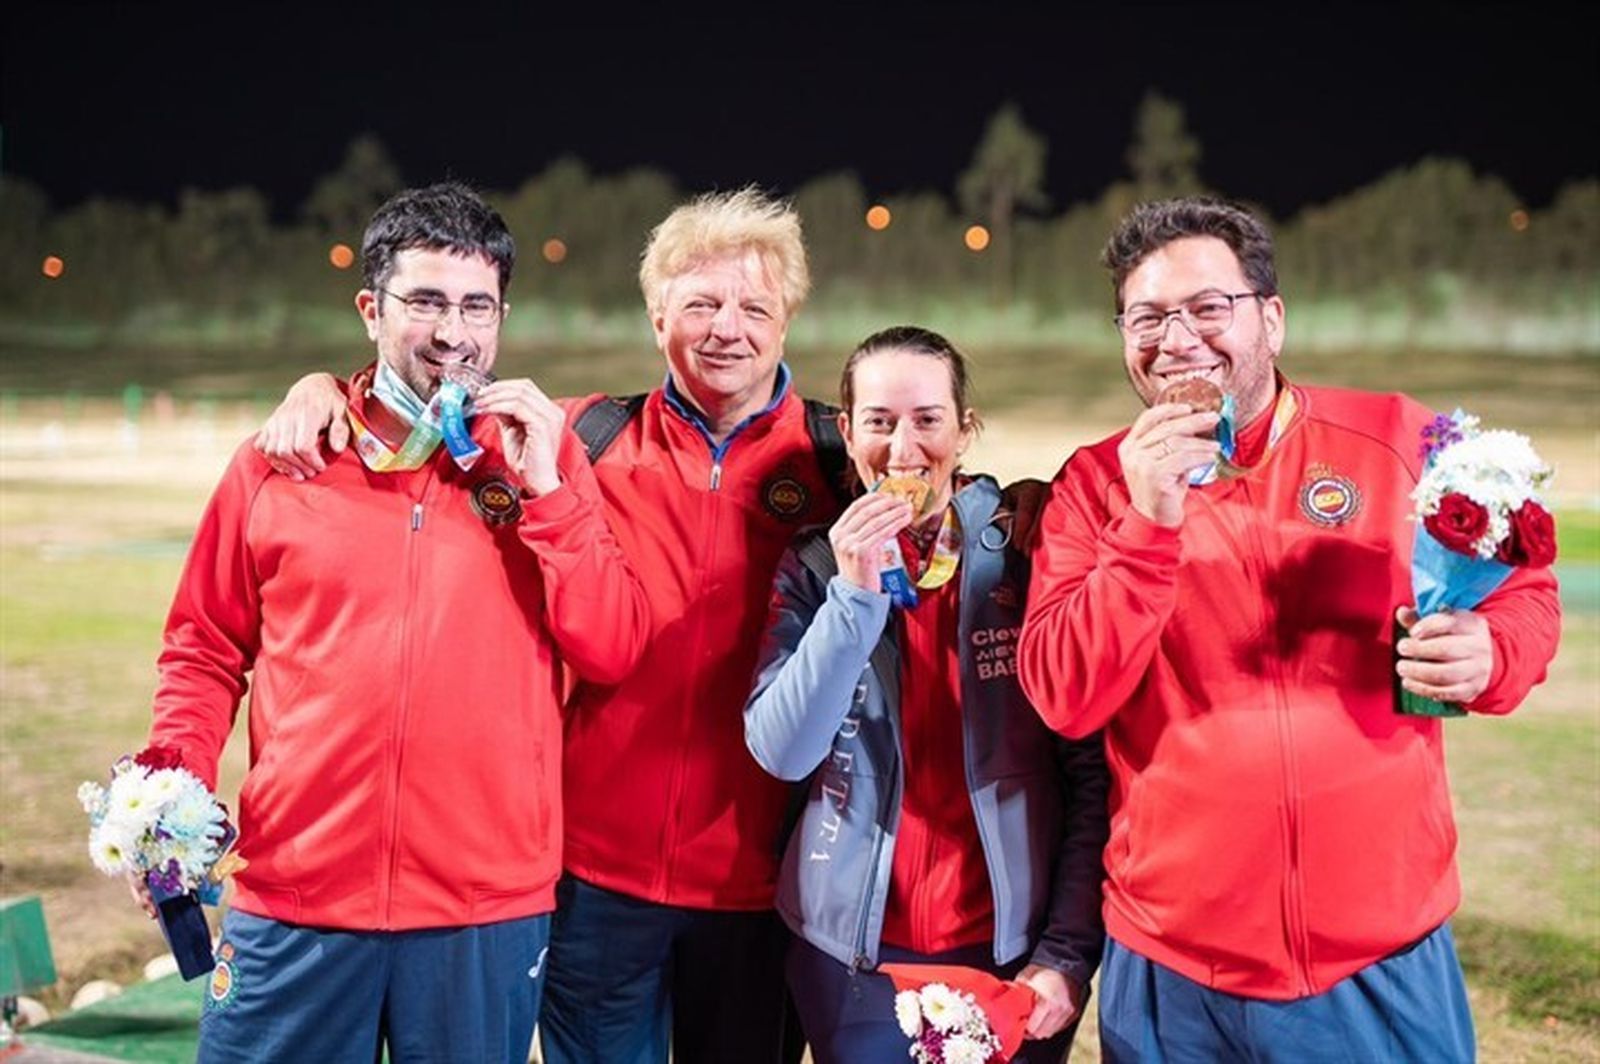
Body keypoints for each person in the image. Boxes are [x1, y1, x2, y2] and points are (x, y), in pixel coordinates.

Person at [254, 188, 840, 1063]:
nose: (728, 328)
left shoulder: (838, 462)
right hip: (596, 883)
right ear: (656, 317)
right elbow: (423, 409)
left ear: (787, 320)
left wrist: (1015, 506)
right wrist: (319, 391)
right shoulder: (583, 438)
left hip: (767, 886)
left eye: (755, 306)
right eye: (701, 304)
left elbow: (943, 498)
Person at [1016, 197, 1562, 1062]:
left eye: (1207, 308)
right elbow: (1064, 697)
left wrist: (1493, 652)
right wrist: (1147, 524)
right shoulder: (1092, 486)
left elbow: (1524, 590)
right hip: (1172, 965)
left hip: (1377, 955)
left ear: (1271, 318)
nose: (1178, 338)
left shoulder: (1395, 435)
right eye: (1147, 317)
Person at [139, 182, 650, 1063]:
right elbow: (203, 647)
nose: (453, 332)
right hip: (296, 895)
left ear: (502, 317)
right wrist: (171, 791)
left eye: (476, 306)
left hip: (481, 908)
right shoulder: (285, 459)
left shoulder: (539, 458)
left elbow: (611, 650)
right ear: (371, 308)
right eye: (424, 302)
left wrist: (551, 497)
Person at [744, 326, 1109, 1063]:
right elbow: (783, 752)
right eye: (879, 421)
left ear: (965, 431)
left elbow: (1091, 776)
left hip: (1011, 953)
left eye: (928, 419)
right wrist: (851, 597)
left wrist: (1068, 952)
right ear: (847, 433)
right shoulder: (816, 568)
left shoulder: (1025, 552)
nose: (903, 448)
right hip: (852, 956)